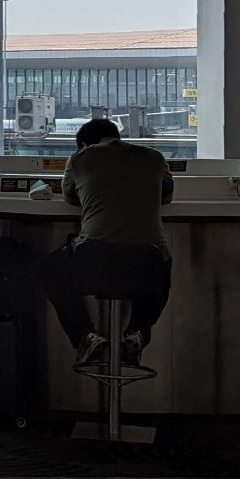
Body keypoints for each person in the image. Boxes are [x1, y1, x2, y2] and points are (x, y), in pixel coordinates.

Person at [35, 118, 175, 368]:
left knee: (49, 268)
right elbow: (166, 196)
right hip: (147, 263)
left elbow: (71, 197)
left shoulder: (80, 159)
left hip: (94, 261)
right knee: (161, 262)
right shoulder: (155, 157)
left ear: (85, 144)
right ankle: (137, 332)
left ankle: (85, 336)